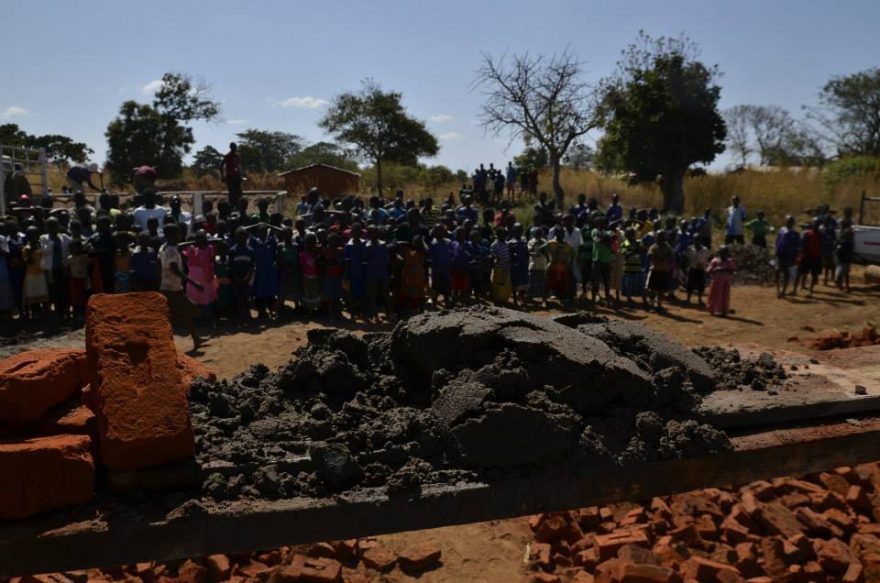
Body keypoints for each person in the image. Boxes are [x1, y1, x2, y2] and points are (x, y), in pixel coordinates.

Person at [159, 223, 203, 349]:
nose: (179, 236)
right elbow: (176, 270)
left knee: (185, 313)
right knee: (185, 312)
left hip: (169, 286)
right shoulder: (171, 251)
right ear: (170, 235)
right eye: (176, 234)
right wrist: (194, 283)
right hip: (171, 289)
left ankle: (195, 337)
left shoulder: (164, 247)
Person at [181, 230, 217, 319]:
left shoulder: (210, 248)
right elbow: (181, 247)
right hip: (194, 278)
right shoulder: (192, 249)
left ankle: (206, 318)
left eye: (203, 239)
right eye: (199, 240)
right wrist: (193, 243)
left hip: (206, 277)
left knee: (206, 297)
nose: (201, 242)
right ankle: (195, 318)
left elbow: (217, 248)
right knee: (194, 298)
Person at [40, 217, 70, 319]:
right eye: (50, 226)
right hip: (50, 270)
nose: (52, 228)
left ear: (59, 226)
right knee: (54, 291)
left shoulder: (65, 237)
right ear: (46, 227)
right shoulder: (43, 238)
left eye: (54, 225)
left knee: (64, 290)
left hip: (63, 269)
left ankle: (66, 311)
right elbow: (44, 252)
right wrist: (52, 242)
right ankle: (58, 312)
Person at [228, 227, 256, 321]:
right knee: (238, 298)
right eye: (240, 237)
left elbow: (252, 266)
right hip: (236, 279)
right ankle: (240, 317)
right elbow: (231, 266)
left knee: (246, 298)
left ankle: (248, 316)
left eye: (244, 237)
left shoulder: (250, 250)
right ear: (236, 238)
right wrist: (236, 277)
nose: (242, 239)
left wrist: (248, 277)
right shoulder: (233, 251)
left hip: (247, 279)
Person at [364, 227, 390, 320]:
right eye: (371, 233)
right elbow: (365, 261)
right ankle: (375, 315)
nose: (374, 235)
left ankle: (389, 314)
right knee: (373, 295)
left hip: (383, 272)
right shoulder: (367, 246)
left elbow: (386, 259)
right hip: (372, 273)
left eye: (375, 233)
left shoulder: (383, 244)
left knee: (386, 294)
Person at [647, 231, 673, 312]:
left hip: (664, 270)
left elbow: (671, 257)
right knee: (652, 289)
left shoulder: (668, 247)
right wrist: (661, 259)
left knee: (661, 290)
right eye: (659, 237)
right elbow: (650, 256)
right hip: (655, 270)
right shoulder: (653, 247)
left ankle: (659, 305)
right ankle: (652, 305)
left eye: (662, 237)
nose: (660, 239)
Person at [545, 229, 573, 303]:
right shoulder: (551, 243)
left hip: (563, 265)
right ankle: (552, 293)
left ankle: (561, 295)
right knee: (552, 279)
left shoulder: (566, 244)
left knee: (563, 280)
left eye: (562, 233)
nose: (561, 235)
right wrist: (548, 257)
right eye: (559, 233)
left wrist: (570, 261)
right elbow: (542, 248)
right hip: (554, 264)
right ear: (556, 234)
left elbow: (573, 253)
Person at [775, 216, 800, 298]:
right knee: (777, 271)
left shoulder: (795, 233)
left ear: (793, 223)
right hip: (780, 254)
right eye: (788, 221)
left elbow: (797, 247)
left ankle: (783, 291)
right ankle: (778, 289)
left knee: (786, 273)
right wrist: (776, 251)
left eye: (791, 221)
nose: (789, 223)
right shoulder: (782, 230)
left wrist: (796, 257)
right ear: (785, 222)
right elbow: (778, 241)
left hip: (788, 255)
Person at [796, 219, 823, 297]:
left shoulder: (820, 235)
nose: (815, 227)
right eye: (814, 225)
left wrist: (820, 256)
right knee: (804, 272)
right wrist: (803, 255)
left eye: (817, 226)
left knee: (814, 274)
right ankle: (802, 286)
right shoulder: (807, 234)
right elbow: (803, 245)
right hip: (807, 255)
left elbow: (821, 245)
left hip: (816, 256)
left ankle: (810, 290)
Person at [590, 218, 614, 304]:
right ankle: (593, 299)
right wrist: (606, 240)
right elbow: (598, 240)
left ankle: (607, 299)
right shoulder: (594, 231)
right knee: (595, 281)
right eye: (599, 223)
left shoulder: (609, 232)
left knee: (607, 281)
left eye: (603, 223)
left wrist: (606, 240)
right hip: (597, 259)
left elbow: (611, 242)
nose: (601, 225)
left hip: (606, 259)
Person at [707, 246, 735, 317]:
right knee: (714, 295)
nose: (724, 254)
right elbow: (708, 271)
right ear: (719, 252)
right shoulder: (715, 261)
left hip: (726, 281)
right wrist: (716, 269)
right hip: (716, 281)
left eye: (725, 252)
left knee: (725, 295)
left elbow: (732, 271)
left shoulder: (729, 261)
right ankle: (712, 310)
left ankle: (724, 310)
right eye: (722, 252)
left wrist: (725, 269)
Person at [428, 226, 453, 307]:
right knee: (435, 286)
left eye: (441, 231)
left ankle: (447, 302)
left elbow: (451, 254)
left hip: (447, 269)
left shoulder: (448, 242)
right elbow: (430, 258)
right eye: (438, 231)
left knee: (447, 286)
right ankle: (434, 303)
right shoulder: (433, 244)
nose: (440, 233)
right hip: (436, 269)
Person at [65, 240, 90, 320]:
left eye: (77, 248)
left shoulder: (84, 257)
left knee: (85, 296)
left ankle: (84, 312)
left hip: (84, 279)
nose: (75, 250)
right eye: (72, 248)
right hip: (75, 280)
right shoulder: (70, 258)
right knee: (76, 297)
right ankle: (77, 313)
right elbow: (66, 267)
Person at [620, 228, 646, 305]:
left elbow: (643, 250)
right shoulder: (625, 243)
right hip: (628, 267)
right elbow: (625, 254)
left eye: (632, 234)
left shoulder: (638, 242)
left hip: (638, 266)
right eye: (629, 234)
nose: (631, 236)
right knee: (629, 285)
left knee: (640, 284)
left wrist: (633, 251)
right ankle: (629, 299)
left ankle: (644, 300)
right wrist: (635, 251)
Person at [685, 237, 711, 305]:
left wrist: (704, 265)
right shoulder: (690, 248)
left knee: (701, 285)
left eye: (697, 240)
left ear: (701, 240)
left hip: (701, 269)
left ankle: (699, 299)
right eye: (695, 240)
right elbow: (687, 258)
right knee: (690, 284)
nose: (696, 242)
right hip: (692, 268)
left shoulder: (705, 249)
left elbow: (708, 259)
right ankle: (688, 299)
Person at [508, 223, 529, 306]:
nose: (519, 232)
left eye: (520, 230)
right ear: (513, 231)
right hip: (515, 266)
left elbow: (526, 251)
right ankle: (515, 299)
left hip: (523, 265)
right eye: (517, 230)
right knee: (515, 283)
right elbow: (509, 253)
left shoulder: (524, 241)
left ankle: (522, 299)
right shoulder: (510, 242)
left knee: (524, 283)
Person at [490, 226, 512, 303]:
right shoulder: (495, 244)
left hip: (506, 267)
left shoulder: (507, 243)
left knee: (505, 283)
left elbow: (509, 253)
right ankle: (497, 297)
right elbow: (492, 253)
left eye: (504, 234)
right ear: (498, 235)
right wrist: (496, 257)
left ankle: (504, 298)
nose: (503, 236)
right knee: (497, 283)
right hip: (498, 267)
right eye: (501, 234)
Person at [835, 228, 854, 292]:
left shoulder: (844, 242)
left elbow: (838, 251)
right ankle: (847, 287)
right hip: (847, 260)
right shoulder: (850, 242)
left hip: (842, 260)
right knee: (846, 274)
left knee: (840, 274)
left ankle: (840, 286)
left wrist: (838, 246)